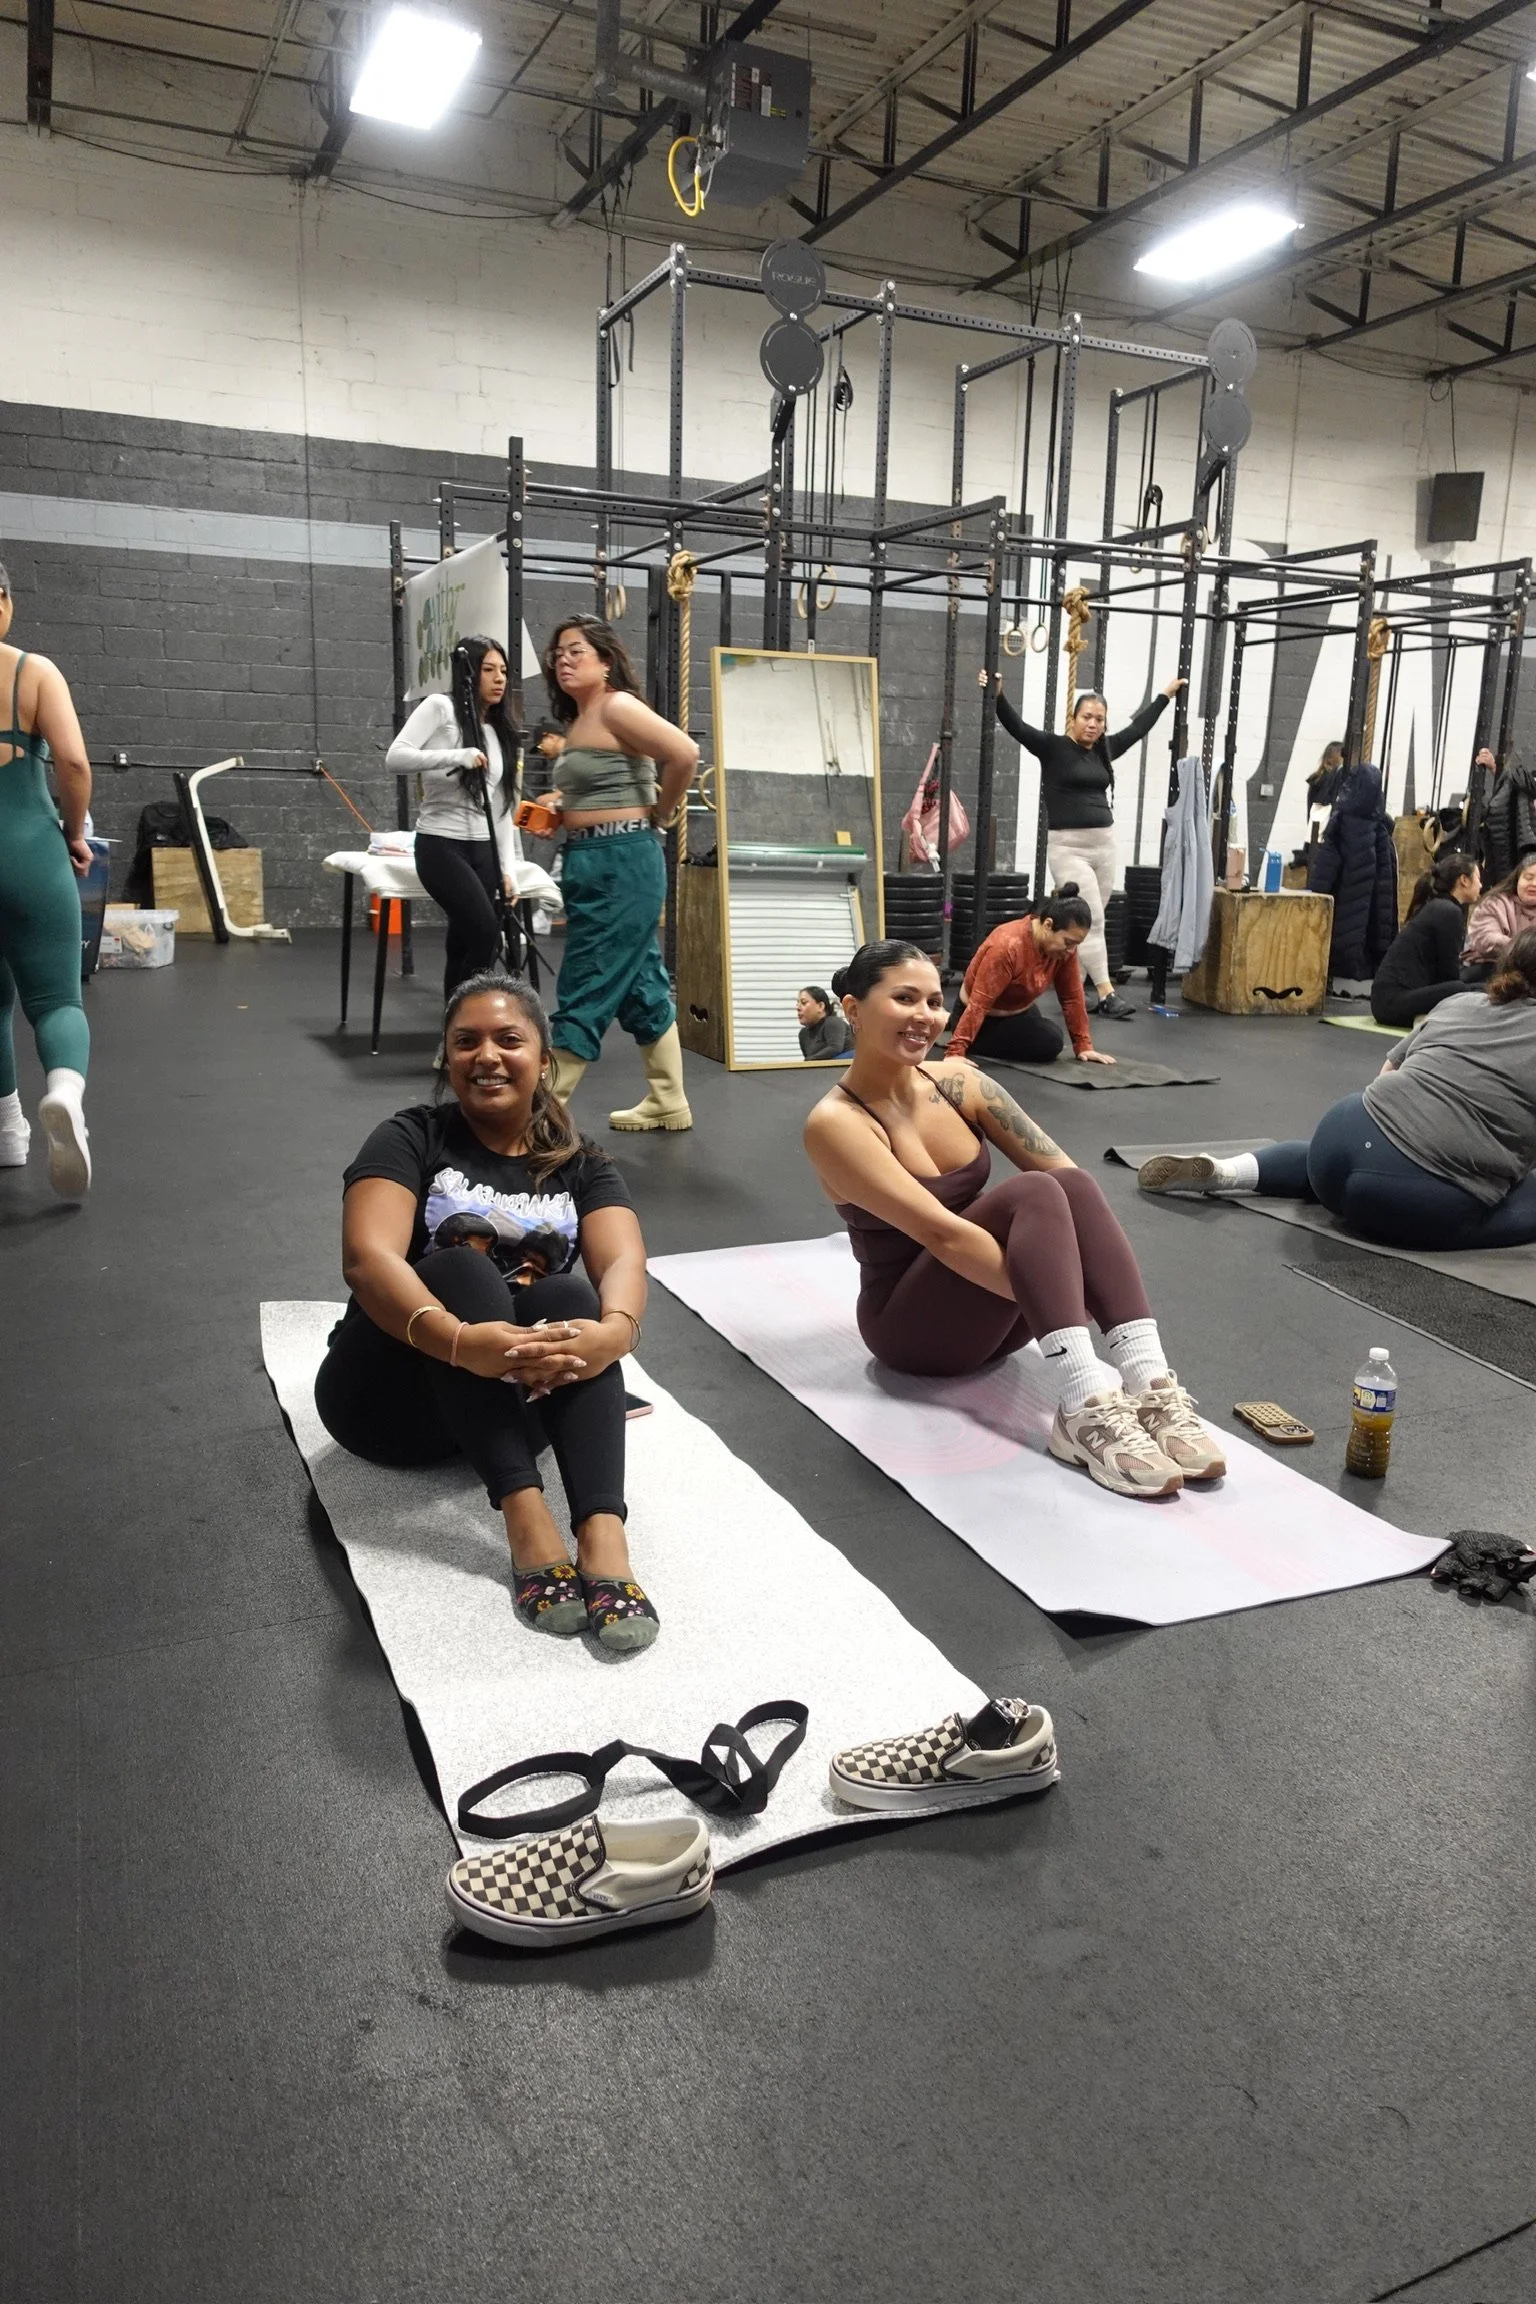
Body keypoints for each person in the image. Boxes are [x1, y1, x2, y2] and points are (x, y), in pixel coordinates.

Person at [802, 940, 1225, 1499]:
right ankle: (1083, 1402)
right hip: (912, 1329)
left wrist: (1066, 1291)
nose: (925, 1016)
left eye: (934, 1001)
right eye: (904, 999)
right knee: (1032, 1194)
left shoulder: (961, 1084)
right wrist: (1054, 1296)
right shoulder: (835, 1122)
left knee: (1065, 1185)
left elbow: (1075, 1191)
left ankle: (1150, 1381)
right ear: (853, 1009)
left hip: (996, 1315)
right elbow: (942, 1235)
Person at [314, 970, 659, 1651]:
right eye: (466, 1041)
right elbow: (368, 1257)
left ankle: (601, 1533)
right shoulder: (413, 1136)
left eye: (508, 1039)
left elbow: (622, 1263)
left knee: (570, 1300)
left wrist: (613, 1337)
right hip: (386, 1402)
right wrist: (458, 1339)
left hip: (505, 1413)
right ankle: (527, 1518)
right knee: (459, 1268)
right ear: (448, 1057)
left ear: (542, 1056)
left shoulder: (581, 1163)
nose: (487, 1056)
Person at [1137, 930, 1536, 1251]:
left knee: (1358, 1154)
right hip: (1404, 1196)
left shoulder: (1461, 1002)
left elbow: (1387, 1071)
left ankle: (1228, 1172)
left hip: (1343, 1135)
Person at [540, 616, 699, 1131]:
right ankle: (668, 1099)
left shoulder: (617, 705)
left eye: (576, 651)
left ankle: (540, 1112)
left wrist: (663, 811)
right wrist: (561, 804)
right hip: (591, 858)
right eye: (558, 653)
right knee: (641, 982)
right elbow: (602, 786)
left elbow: (684, 753)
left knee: (588, 975)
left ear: (606, 660)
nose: (563, 659)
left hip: (622, 860)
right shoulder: (581, 720)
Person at [979, 667, 1186, 1019]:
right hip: (1068, 848)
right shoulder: (1053, 747)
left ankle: (1072, 991)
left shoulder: (1104, 749)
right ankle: (1106, 993)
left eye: (1099, 719)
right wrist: (997, 694)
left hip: (1103, 846)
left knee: (1087, 924)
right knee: (1096, 919)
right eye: (1087, 717)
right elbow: (1017, 727)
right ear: (1073, 719)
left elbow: (1138, 729)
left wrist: (1164, 696)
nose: (1093, 724)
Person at [0, 562, 93, 1197]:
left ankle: (7, 1131)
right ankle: (63, 1095)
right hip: (28, 848)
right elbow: (74, 762)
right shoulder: (32, 671)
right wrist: (74, 831)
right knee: (56, 999)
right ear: (3, 601)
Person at [386, 635, 521, 1000]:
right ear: (468, 671)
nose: (499, 679)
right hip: (441, 845)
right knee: (484, 930)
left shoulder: (501, 730)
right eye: (489, 670)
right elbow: (395, 757)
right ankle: (466, 1024)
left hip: (485, 849)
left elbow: (504, 806)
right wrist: (454, 756)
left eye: (504, 671)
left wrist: (509, 869)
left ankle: (455, 1035)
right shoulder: (439, 708)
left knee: (464, 942)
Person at [946, 885, 1115, 1068]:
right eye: (1068, 942)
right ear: (1048, 925)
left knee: (1040, 1027)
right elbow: (980, 1003)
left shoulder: (1065, 951)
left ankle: (945, 1022)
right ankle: (956, 1027)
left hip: (1017, 1011)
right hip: (984, 1020)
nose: (1071, 950)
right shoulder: (1007, 946)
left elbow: (1072, 997)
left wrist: (1083, 1046)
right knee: (1051, 1040)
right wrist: (956, 1051)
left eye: (1076, 945)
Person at [1308, 761, 1398, 986]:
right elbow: (1388, 893)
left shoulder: (1340, 826)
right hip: (1371, 927)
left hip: (1342, 919)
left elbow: (1323, 877)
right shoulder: (1382, 831)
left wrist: (1310, 906)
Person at [1368, 850, 1480, 1027]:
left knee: (1474, 985)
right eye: (1478, 879)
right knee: (1461, 989)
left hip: (1390, 1000)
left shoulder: (1438, 907)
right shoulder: (1448, 912)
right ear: (1464, 880)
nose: (1481, 885)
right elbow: (1448, 975)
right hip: (1392, 1004)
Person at [1462, 851, 1536, 984]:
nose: (1534, 884)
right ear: (1517, 879)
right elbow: (1486, 938)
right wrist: (1526, 952)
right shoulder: (1495, 903)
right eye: (1529, 877)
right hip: (1491, 969)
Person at [797, 985, 852, 1061]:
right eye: (797, 1003)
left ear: (820, 1006)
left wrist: (808, 1061)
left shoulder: (832, 1022)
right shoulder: (803, 1034)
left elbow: (835, 1048)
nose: (798, 1007)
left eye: (804, 1003)